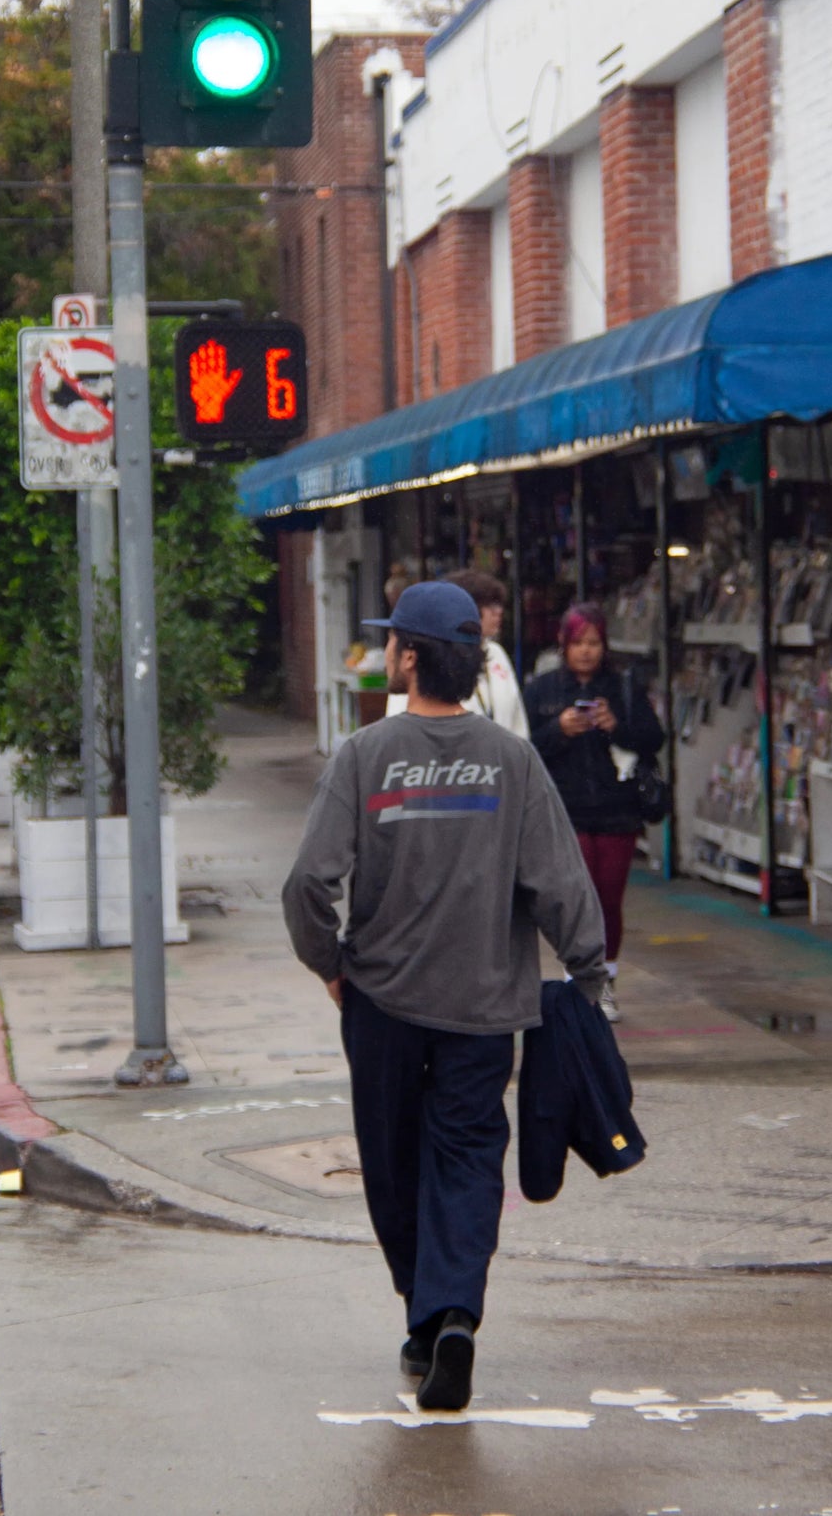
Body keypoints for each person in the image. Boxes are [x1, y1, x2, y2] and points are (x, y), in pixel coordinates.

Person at [282, 579, 606, 1413]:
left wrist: (329, 963)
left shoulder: (364, 755)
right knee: (466, 1157)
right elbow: (562, 882)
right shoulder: (513, 759)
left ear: (410, 658)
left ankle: (422, 1320)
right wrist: (589, 974)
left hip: (381, 1004)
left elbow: (308, 882)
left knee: (393, 1165)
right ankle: (454, 1312)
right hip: (484, 1007)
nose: (389, 650)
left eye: (393, 639)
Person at [524, 602, 665, 1024]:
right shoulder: (542, 690)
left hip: (617, 809)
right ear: (564, 645)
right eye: (578, 643)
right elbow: (523, 747)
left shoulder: (623, 688)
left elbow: (653, 739)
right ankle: (579, 979)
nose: (586, 651)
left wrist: (614, 725)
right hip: (565, 809)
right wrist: (559, 729)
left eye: (594, 642)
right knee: (575, 898)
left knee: (609, 897)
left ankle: (605, 981)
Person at [383, 568, 528, 736]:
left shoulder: (496, 653)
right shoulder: (427, 654)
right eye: (488, 605)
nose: (498, 611)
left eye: (499, 604)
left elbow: (518, 720)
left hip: (500, 748)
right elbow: (400, 722)